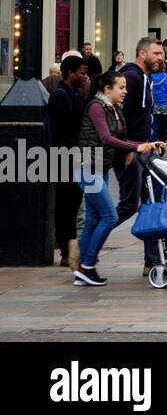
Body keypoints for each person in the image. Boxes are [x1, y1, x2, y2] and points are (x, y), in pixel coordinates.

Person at [73, 70, 167, 285]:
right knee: (109, 217)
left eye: (126, 87)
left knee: (92, 220)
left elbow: (119, 135)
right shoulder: (97, 107)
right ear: (107, 89)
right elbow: (106, 138)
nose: (125, 91)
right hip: (87, 168)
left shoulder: (114, 108)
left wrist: (128, 151)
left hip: (100, 168)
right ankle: (87, 265)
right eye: (121, 87)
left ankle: (82, 269)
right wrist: (137, 147)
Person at [117, 36, 165, 275]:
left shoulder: (144, 77)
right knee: (128, 206)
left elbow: (141, 116)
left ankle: (153, 260)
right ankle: (87, 248)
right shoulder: (133, 77)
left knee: (151, 204)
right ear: (142, 54)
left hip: (142, 149)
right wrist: (128, 148)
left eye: (161, 54)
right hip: (132, 152)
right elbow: (120, 115)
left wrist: (151, 142)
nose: (161, 57)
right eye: (156, 53)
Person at [45, 54, 89, 267]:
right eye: (81, 72)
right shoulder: (61, 96)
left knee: (72, 206)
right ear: (70, 73)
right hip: (64, 160)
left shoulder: (75, 94)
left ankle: (70, 249)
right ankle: (65, 252)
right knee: (65, 207)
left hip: (74, 158)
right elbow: (60, 132)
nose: (84, 76)